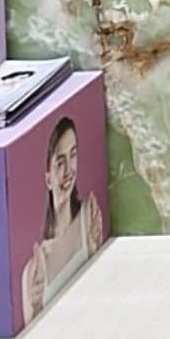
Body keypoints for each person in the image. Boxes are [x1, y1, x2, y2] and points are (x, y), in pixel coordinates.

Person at [21, 116, 103, 322]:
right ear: (48, 180)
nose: (68, 171)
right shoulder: (32, 272)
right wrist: (36, 306)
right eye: (60, 162)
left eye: (73, 155)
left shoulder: (87, 220)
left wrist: (96, 250)